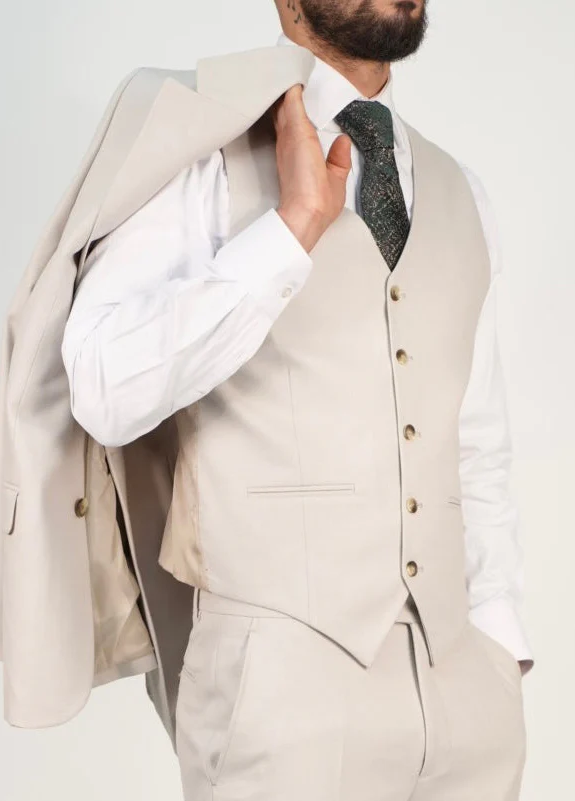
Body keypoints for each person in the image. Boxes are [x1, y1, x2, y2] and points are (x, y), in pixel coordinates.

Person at [61, 1, 533, 798]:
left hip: (464, 696)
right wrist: (287, 232)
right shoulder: (196, 152)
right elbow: (103, 385)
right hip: (282, 697)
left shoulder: (460, 189)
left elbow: (473, 435)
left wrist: (498, 640)